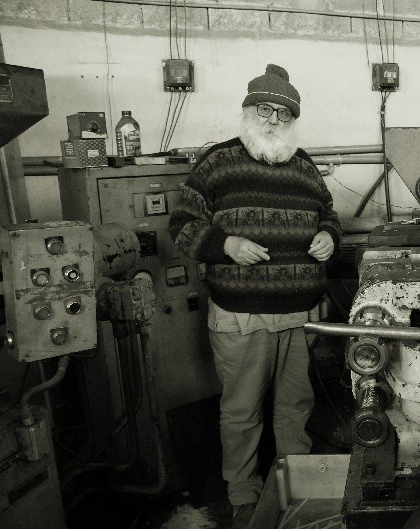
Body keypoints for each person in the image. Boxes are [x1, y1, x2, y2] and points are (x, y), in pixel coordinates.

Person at [168, 64, 341, 529]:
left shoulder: (304, 167)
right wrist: (224, 245)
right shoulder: (218, 163)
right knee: (242, 411)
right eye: (263, 109)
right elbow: (180, 225)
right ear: (248, 111)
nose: (272, 119)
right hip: (242, 317)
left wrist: (328, 235)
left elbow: (330, 216)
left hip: (301, 315)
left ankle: (299, 489)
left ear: (292, 120)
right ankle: (244, 493)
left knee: (295, 409)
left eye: (282, 113)